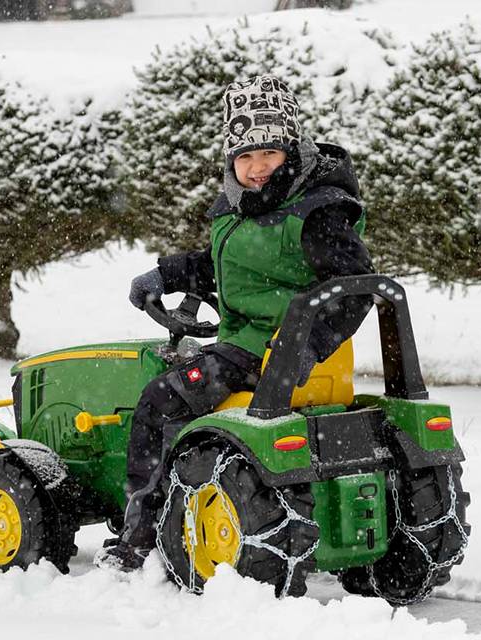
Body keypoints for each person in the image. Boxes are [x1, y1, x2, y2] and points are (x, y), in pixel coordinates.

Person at [99, 76, 376, 573]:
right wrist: (167, 273)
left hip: (262, 353)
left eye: (267, 153)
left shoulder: (317, 212)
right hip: (268, 350)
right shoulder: (247, 210)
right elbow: (227, 267)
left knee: (159, 401)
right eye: (244, 157)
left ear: (291, 149)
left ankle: (137, 535)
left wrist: (303, 345)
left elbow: (353, 286)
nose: (255, 168)